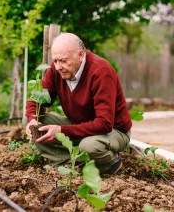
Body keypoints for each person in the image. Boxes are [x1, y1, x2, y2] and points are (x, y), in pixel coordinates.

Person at [24, 33, 132, 174]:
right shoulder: (57, 71)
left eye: (63, 61)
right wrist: (33, 120)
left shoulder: (100, 72)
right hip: (79, 124)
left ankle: (111, 163)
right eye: (55, 61)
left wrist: (61, 130)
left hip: (113, 130)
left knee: (89, 146)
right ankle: (68, 163)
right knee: (36, 123)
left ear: (80, 55)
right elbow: (36, 101)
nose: (57, 67)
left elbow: (105, 123)